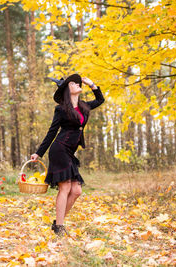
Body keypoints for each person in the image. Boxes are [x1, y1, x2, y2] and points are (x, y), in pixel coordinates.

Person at [30, 73, 105, 236]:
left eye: (79, 84)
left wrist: (92, 85)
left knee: (76, 191)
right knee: (65, 188)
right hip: (59, 149)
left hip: (70, 151)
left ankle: (58, 223)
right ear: (67, 89)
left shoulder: (84, 106)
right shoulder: (61, 109)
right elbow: (52, 132)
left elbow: (100, 100)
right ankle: (59, 228)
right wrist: (39, 152)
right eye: (74, 83)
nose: (78, 84)